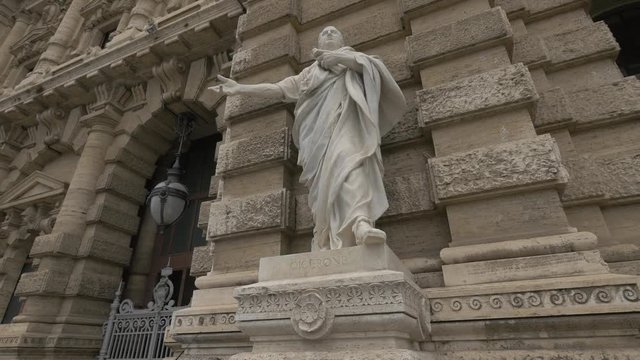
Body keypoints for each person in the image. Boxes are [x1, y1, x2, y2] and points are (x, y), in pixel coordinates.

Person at [210, 26, 406, 251]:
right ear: (319, 44)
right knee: (323, 188)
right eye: (325, 33)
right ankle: (326, 236)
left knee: (352, 166)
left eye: (334, 31)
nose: (330, 33)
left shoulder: (356, 61)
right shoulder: (308, 75)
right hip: (316, 141)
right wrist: (239, 88)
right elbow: (277, 89)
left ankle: (360, 223)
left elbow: (376, 72)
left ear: (342, 41)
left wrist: (340, 58)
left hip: (348, 128)